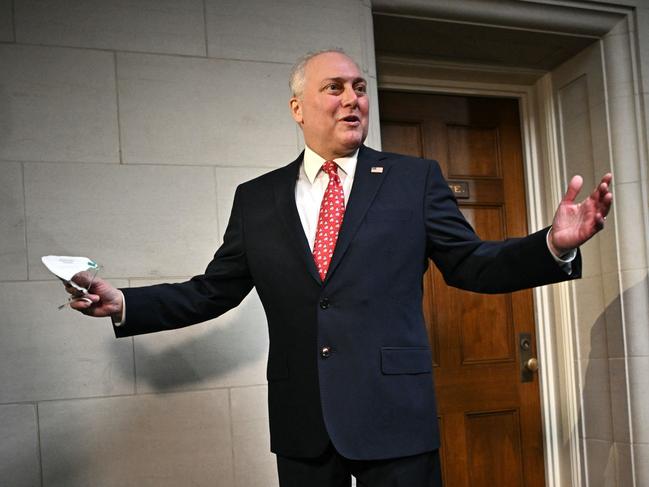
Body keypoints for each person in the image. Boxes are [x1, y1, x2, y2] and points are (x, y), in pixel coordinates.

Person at [65, 49, 613, 487]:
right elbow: (214, 290)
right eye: (335, 88)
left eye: (359, 87)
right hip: (304, 421)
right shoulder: (257, 199)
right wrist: (126, 303)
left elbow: (471, 264)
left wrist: (552, 246)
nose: (352, 98)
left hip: (394, 416)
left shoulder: (413, 179)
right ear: (298, 107)